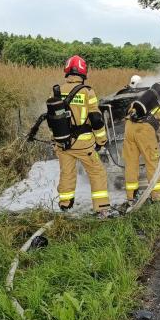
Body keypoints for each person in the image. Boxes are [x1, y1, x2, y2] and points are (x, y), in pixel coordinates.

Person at [53, 55, 111, 214]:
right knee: (97, 173)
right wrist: (101, 141)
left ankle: (65, 205)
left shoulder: (58, 91)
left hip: (63, 143)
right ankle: (102, 209)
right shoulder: (87, 92)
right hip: (83, 143)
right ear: (83, 72)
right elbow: (96, 119)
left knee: (67, 174)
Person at [122, 83, 160, 203]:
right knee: (152, 164)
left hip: (129, 129)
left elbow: (127, 114)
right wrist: (158, 138)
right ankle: (158, 197)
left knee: (131, 163)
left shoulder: (140, 102)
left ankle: (131, 196)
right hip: (145, 131)